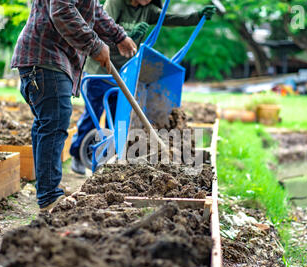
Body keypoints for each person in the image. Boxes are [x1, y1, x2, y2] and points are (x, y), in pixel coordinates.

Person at [11, 0, 137, 212]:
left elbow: (92, 9)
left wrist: (119, 36)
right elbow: (61, 10)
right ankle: (49, 196)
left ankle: (48, 189)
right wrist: (95, 46)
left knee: (47, 124)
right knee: (54, 122)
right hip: (45, 57)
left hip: (46, 58)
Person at [69, 0, 216, 174]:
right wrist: (126, 35)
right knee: (93, 112)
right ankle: (77, 155)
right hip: (99, 69)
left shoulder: (148, 10)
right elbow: (100, 31)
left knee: (119, 118)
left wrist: (197, 16)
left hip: (124, 73)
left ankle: (113, 158)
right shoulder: (116, 4)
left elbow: (170, 18)